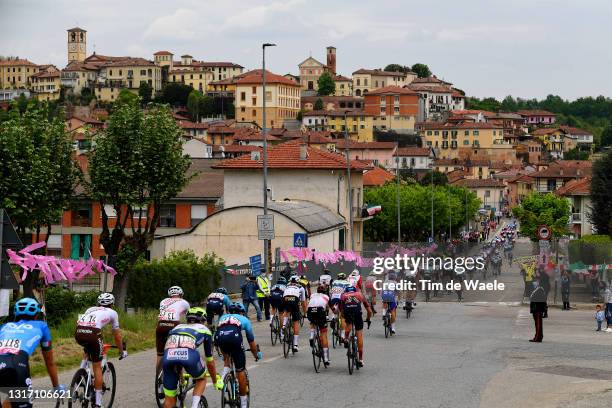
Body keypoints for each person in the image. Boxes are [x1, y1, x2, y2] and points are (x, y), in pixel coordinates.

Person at [0, 298, 62, 408]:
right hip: (16, 364)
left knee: (12, 397)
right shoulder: (41, 326)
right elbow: (49, 361)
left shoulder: (5, 326)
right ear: (36, 314)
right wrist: (56, 387)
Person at [161, 307, 223, 408]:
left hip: (168, 357)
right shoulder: (205, 329)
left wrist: (181, 377)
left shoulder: (176, 328)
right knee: (201, 379)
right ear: (203, 320)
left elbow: (175, 352)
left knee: (169, 400)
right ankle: (194, 406)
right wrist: (215, 381)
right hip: (189, 356)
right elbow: (210, 361)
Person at [75, 293, 127, 408]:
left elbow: (83, 323)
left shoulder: (90, 309)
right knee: (97, 366)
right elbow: (117, 336)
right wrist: (121, 350)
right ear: (112, 304)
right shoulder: (113, 313)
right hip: (93, 334)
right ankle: (98, 403)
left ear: (98, 303)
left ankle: (81, 371)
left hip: (78, 332)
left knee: (88, 349)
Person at [215, 303, 262, 408]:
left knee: (227, 355)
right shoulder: (244, 319)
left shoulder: (222, 317)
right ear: (242, 312)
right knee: (240, 370)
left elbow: (216, 334)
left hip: (219, 339)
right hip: (234, 339)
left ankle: (225, 372)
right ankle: (244, 404)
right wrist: (256, 355)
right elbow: (251, 342)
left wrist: (222, 354)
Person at [156, 286, 190, 377]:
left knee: (160, 354)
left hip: (160, 325)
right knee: (179, 350)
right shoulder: (184, 302)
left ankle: (158, 378)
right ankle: (181, 376)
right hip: (174, 325)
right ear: (181, 294)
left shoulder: (163, 301)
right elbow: (188, 318)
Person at [340, 286, 372, 367]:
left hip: (348, 312)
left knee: (348, 324)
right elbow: (369, 311)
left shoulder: (343, 295)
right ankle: (361, 360)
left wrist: (344, 317)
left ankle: (346, 338)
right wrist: (368, 319)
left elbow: (342, 311)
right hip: (357, 314)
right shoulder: (360, 294)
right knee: (359, 335)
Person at [282, 275, 307, 352]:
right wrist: (305, 312)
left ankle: (283, 325)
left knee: (287, 311)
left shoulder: (286, 285)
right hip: (294, 299)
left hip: (285, 298)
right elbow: (303, 302)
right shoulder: (301, 287)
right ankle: (295, 345)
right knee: (296, 322)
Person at [307, 285, 331, 366]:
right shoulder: (326, 296)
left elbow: (311, 303)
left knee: (313, 322)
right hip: (320, 311)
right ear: (324, 291)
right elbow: (330, 307)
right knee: (323, 334)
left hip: (310, 310)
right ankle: (326, 358)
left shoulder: (312, 295)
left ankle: (311, 336)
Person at [329, 273, 350, 343]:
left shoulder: (334, 282)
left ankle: (333, 320)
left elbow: (331, 290)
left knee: (334, 310)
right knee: (343, 317)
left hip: (333, 298)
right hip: (341, 298)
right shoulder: (347, 283)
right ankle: (342, 336)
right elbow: (348, 293)